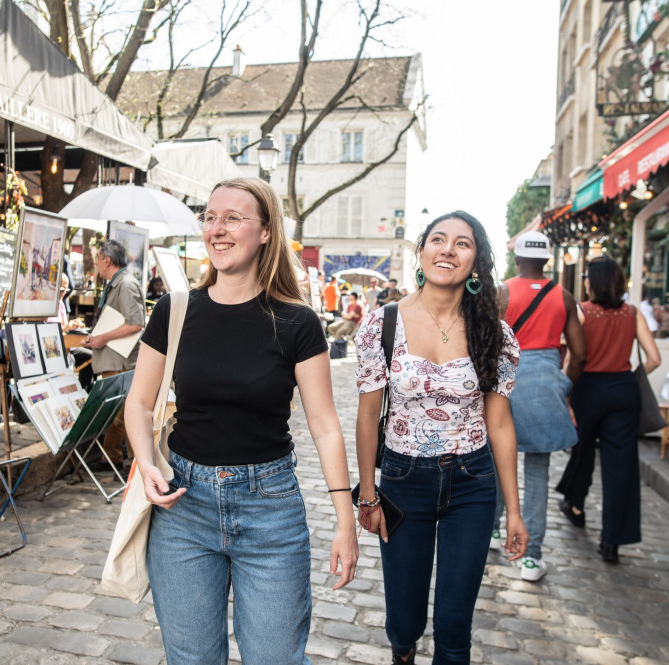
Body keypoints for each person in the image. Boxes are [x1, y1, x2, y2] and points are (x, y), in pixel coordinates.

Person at [123, 177, 358, 665]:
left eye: (233, 218)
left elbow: (325, 425)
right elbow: (140, 403)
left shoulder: (296, 321)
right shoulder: (174, 310)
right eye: (210, 217)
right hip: (183, 507)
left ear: (266, 231)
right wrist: (146, 464)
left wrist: (345, 520)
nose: (217, 229)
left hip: (270, 509)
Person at [354, 211, 526, 665]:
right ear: (422, 251)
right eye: (438, 239)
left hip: (472, 483)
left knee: (454, 625)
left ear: (476, 263)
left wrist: (513, 511)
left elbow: (500, 424)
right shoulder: (382, 324)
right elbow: (368, 416)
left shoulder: (495, 333)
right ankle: (403, 652)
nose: (448, 249)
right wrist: (368, 495)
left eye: (462, 243)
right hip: (404, 480)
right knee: (403, 621)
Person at [491, 231, 586, 582]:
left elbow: (486, 341)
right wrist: (564, 386)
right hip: (545, 381)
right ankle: (531, 558)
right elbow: (580, 353)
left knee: (495, 461)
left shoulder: (501, 291)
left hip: (505, 381)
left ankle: (492, 530)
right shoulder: (563, 295)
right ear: (547, 260)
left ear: (517, 258)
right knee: (537, 471)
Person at [555, 255, 660, 564]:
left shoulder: (582, 311)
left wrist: (565, 392)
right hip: (623, 391)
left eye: (587, 277)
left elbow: (573, 356)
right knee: (621, 465)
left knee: (583, 450)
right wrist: (630, 380)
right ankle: (611, 541)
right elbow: (654, 359)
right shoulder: (632, 313)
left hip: (588, 388)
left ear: (594, 282)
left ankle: (575, 506)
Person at [80, 239, 145, 469]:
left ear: (107, 260)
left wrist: (102, 338)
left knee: (123, 414)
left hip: (120, 360)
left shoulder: (125, 284)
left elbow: (136, 323)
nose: (96, 263)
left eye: (98, 258)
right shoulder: (118, 283)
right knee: (116, 414)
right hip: (114, 358)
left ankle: (136, 464)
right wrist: (95, 337)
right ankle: (114, 458)